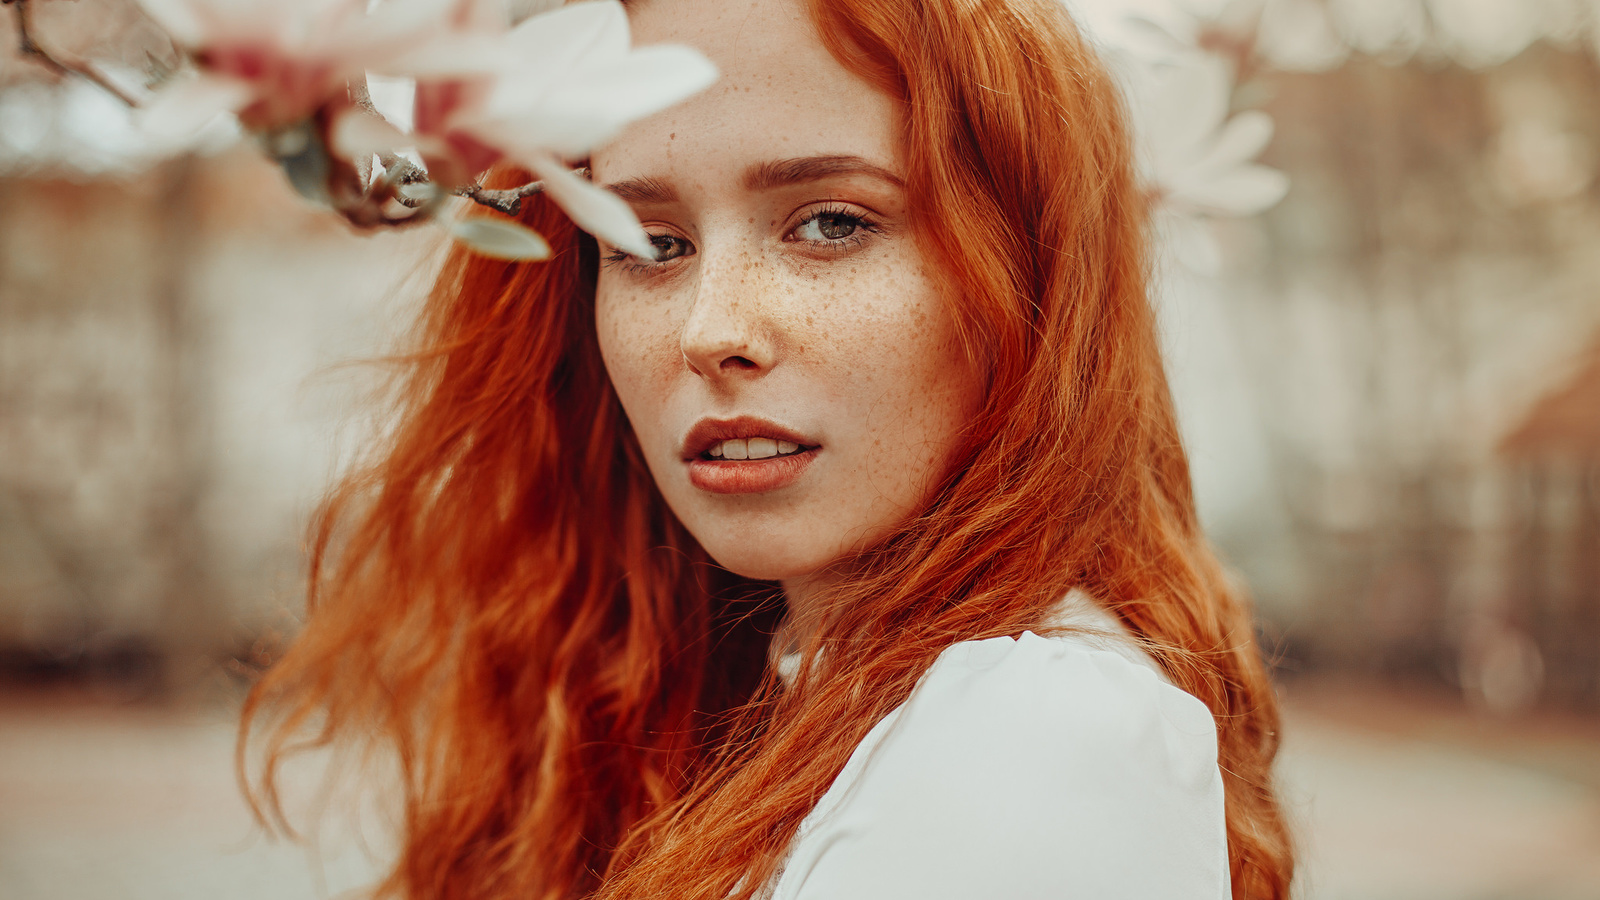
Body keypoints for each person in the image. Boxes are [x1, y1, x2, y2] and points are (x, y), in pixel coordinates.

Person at [242, 0, 1296, 897]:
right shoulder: (763, 695)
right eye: (646, 243)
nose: (711, 331)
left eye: (831, 224)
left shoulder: (1033, 738)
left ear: (1032, 270)